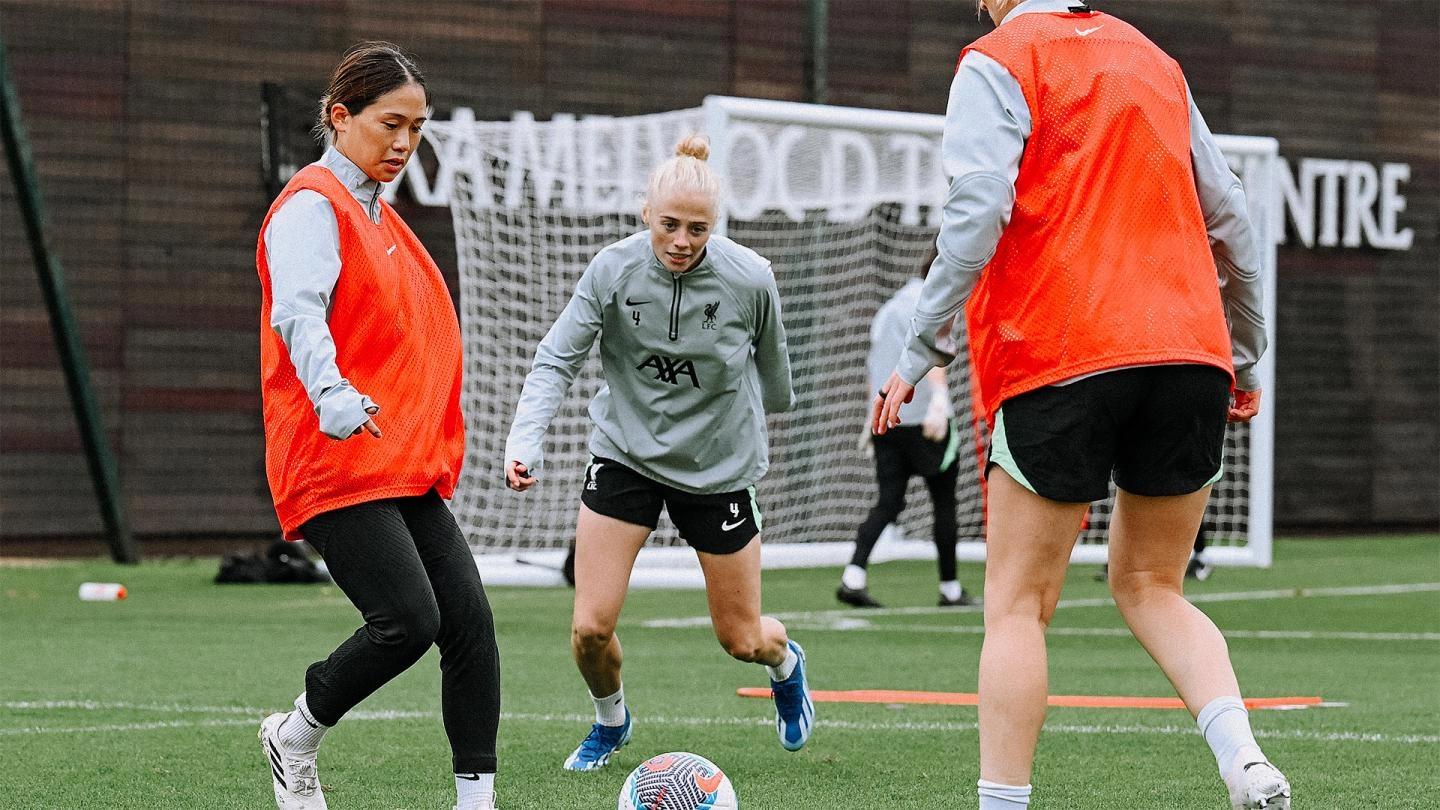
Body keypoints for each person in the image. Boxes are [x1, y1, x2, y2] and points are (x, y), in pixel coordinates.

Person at [873, 2, 1290, 808]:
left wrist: (919, 349)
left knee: (1019, 606)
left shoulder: (998, 57)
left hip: (1061, 350)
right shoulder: (1154, 59)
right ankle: (1245, 762)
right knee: (1153, 584)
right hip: (1188, 351)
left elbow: (978, 209)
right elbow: (1230, 212)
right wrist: (1241, 353)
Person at [504, 135, 814, 771]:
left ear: (716, 226)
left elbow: (778, 383)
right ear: (645, 212)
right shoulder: (612, 272)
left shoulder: (751, 279)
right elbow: (557, 357)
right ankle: (611, 722)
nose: (681, 240)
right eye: (669, 224)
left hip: (718, 470)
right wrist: (523, 439)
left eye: (697, 229)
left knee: (741, 639)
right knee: (589, 628)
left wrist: (738, 414)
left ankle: (786, 664)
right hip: (626, 457)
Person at [255, 41, 501, 810]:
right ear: (340, 117)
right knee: (407, 620)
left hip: (392, 456)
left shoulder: (379, 215)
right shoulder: (311, 205)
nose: (403, 143)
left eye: (417, 129)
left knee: (469, 623)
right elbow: (298, 313)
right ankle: (294, 733)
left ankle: (476, 800)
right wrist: (330, 392)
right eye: (390, 124)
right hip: (330, 455)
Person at [838, 246, 976, 609]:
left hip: (887, 419)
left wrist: (871, 420)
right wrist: (938, 402)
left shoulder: (887, 310)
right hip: (923, 419)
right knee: (944, 503)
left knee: (888, 501)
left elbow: (874, 365)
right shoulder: (932, 302)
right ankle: (949, 589)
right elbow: (931, 350)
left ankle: (853, 576)